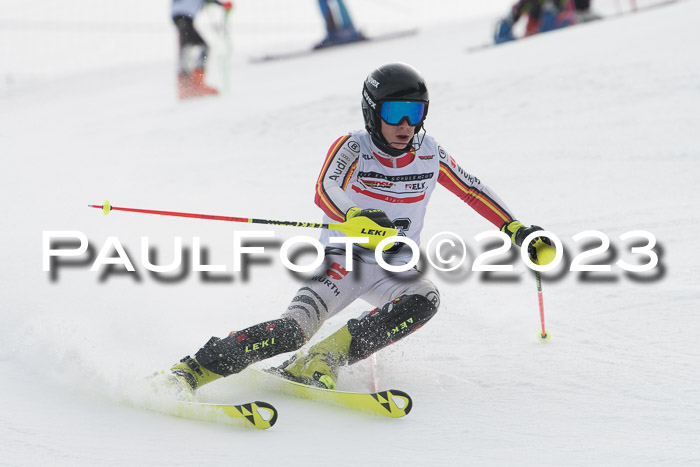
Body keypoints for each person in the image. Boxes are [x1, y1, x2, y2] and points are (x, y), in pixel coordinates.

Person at [159, 62, 553, 398]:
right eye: (394, 111)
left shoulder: (430, 152)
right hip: (343, 263)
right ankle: (192, 370)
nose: (404, 124)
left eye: (414, 113)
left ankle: (322, 359)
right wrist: (355, 216)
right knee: (293, 330)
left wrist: (517, 230)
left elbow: (470, 189)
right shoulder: (354, 147)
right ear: (372, 111)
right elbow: (325, 189)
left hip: (393, 268)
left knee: (425, 298)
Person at [171, 0, 232, 99]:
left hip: (179, 15)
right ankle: (195, 82)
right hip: (184, 16)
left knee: (187, 45)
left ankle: (186, 84)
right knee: (201, 46)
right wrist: (223, 5)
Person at [494, 0, 579, 44]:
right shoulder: (528, 3)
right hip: (533, 36)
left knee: (547, 14)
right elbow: (516, 12)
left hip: (560, 31)